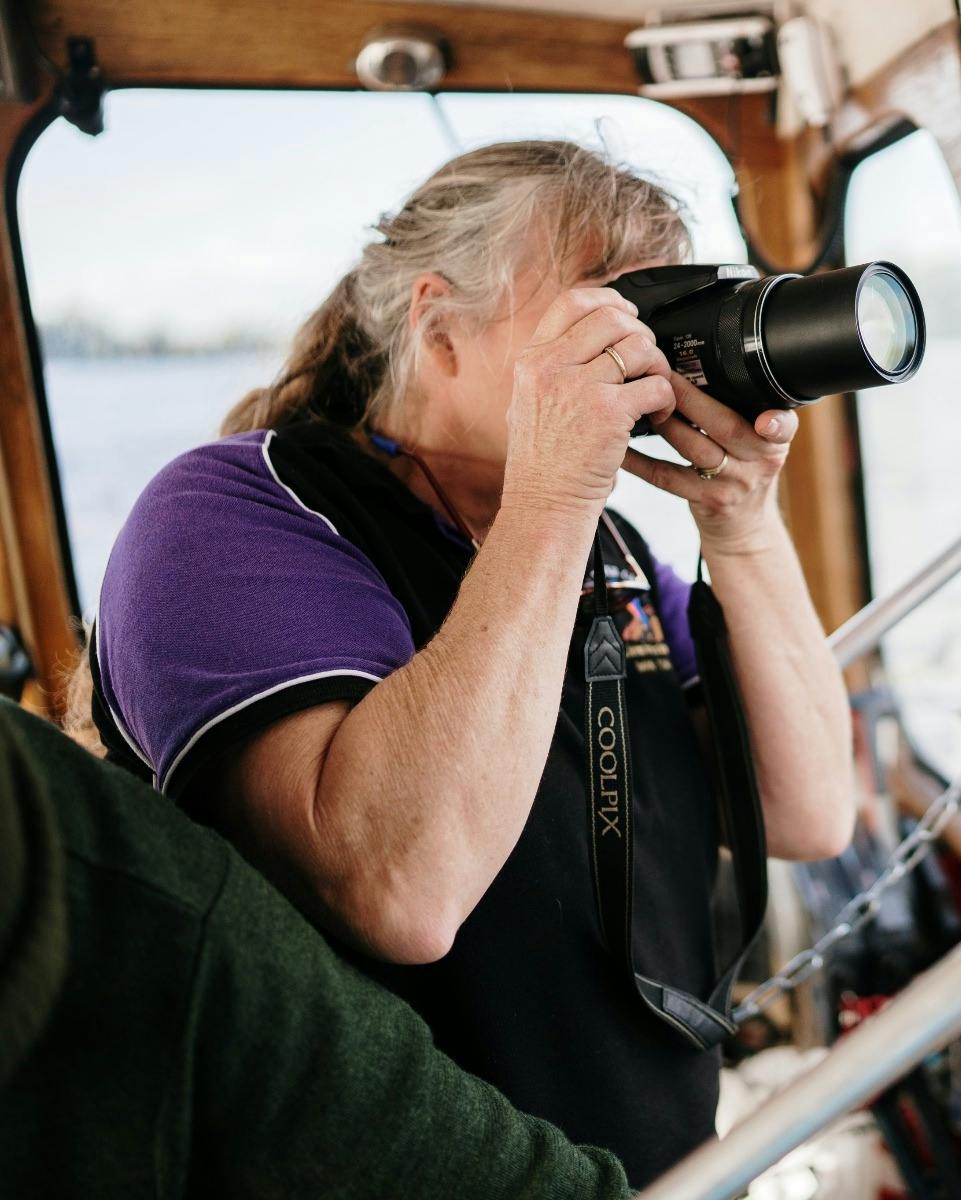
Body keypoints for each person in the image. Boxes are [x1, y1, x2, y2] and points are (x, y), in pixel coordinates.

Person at [72, 140, 855, 1184]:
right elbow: (399, 891)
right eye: (605, 307)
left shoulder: (608, 553)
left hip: (645, 1170)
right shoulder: (233, 513)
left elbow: (806, 813)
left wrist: (742, 523)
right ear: (440, 328)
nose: (648, 352)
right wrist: (554, 495)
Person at [0, 698, 632, 1199]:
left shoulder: (628, 565)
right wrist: (550, 524)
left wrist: (737, 550)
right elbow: (405, 895)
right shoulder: (204, 549)